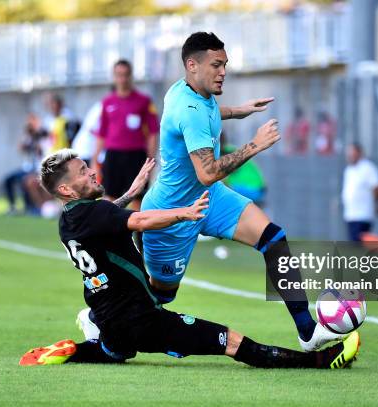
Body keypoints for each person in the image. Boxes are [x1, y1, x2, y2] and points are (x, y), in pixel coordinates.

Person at [18, 149, 360, 369]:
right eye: (81, 171)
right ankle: (318, 359)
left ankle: (81, 347)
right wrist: (184, 213)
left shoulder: (69, 219)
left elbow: (106, 216)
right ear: (65, 189)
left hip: (111, 319)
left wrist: (131, 193)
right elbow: (137, 221)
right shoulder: (94, 215)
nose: (91, 171)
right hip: (140, 319)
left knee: (115, 352)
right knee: (233, 342)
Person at [140, 32, 340, 352]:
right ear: (192, 65)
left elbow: (206, 115)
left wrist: (238, 111)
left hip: (210, 199)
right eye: (216, 65)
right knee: (162, 296)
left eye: (225, 65)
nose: (223, 72)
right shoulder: (188, 108)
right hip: (171, 214)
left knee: (273, 239)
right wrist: (254, 145)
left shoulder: (186, 92)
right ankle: (105, 318)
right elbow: (206, 173)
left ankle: (307, 331)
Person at [92, 59, 160, 210]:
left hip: (136, 156)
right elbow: (101, 133)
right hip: (113, 156)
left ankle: (139, 233)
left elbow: (153, 132)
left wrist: (150, 159)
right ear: (114, 76)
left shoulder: (144, 101)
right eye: (119, 75)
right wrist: (95, 159)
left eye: (125, 75)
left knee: (137, 198)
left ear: (131, 76)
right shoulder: (107, 102)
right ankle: (112, 233)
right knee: (110, 198)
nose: (122, 79)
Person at [3, 113, 47, 215]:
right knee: (7, 179)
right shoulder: (28, 137)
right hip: (26, 168)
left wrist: (36, 138)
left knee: (26, 181)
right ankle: (12, 205)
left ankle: (30, 207)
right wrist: (27, 137)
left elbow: (41, 151)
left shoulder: (42, 135)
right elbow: (20, 148)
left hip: (36, 168)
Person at [341, 142, 378, 242]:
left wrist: (377, 205)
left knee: (360, 245)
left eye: (352, 152)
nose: (350, 155)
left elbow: (377, 188)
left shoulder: (368, 168)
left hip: (363, 215)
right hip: (350, 214)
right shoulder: (349, 169)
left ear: (359, 153)